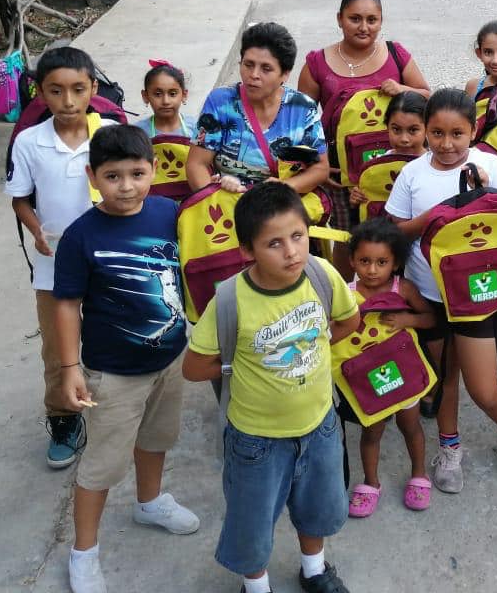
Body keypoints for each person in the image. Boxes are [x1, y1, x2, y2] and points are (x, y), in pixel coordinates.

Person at [183, 183, 361, 593]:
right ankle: (257, 585)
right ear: (248, 250)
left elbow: (348, 322)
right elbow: (193, 368)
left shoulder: (322, 274)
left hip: (320, 425)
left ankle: (314, 569)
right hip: (255, 438)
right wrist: (242, 364)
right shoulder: (229, 300)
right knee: (252, 519)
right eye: (274, 243)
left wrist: (313, 342)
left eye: (298, 236)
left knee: (317, 507)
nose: (292, 252)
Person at [52, 125, 197, 593]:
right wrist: (70, 368)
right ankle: (84, 553)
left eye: (137, 173)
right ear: (93, 176)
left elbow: (213, 239)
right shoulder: (80, 237)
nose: (128, 186)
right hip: (112, 373)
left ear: (153, 170)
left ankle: (150, 501)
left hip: (170, 358)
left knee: (157, 438)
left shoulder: (169, 213)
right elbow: (66, 304)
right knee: (101, 465)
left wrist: (227, 190)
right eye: (113, 177)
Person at [385, 89, 497, 492]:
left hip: (476, 293)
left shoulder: (491, 167)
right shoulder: (413, 174)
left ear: (473, 130)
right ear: (426, 131)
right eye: (436, 133)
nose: (446, 144)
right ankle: (450, 448)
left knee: (485, 389)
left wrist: (484, 194)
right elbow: (394, 231)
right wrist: (432, 219)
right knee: (444, 378)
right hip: (429, 292)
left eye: (457, 134)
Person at [5, 46, 102, 469]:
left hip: (106, 260)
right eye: (56, 91)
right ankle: (63, 418)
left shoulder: (110, 133)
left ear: (93, 89)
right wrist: (36, 232)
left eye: (78, 89)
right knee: (58, 347)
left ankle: (115, 411)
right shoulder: (30, 142)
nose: (68, 102)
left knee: (111, 336)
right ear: (40, 93)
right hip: (53, 264)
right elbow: (20, 199)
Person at [297, 0, 430, 269]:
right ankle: (346, 302)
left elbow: (427, 96)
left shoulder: (396, 54)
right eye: (355, 18)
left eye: (372, 19)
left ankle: (391, 297)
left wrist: (402, 88)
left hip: (395, 169)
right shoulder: (317, 63)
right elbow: (303, 125)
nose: (364, 27)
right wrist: (317, 170)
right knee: (349, 240)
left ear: (381, 21)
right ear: (339, 18)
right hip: (342, 174)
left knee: (395, 237)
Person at [342, 218, 437, 517]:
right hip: (366, 380)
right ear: (352, 261)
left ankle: (419, 475)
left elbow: (431, 318)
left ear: (395, 262)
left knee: (410, 425)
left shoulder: (403, 288)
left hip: (404, 373)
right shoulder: (345, 293)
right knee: (372, 432)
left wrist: (408, 320)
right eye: (364, 261)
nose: (372, 269)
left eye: (381, 262)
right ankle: (371, 483)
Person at [187, 22, 329, 195]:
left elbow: (320, 168)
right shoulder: (220, 102)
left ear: (285, 73)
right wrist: (213, 202)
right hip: (225, 204)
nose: (253, 75)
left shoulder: (303, 109)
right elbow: (197, 164)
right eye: (248, 64)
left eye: (266, 68)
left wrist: (285, 188)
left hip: (279, 207)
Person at [347, 90, 427, 214]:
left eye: (413, 130)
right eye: (396, 129)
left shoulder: (434, 165)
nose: (404, 139)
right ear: (387, 127)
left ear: (427, 128)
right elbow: (366, 203)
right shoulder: (377, 164)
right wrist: (355, 199)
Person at [136, 59, 196, 138]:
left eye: (172, 94)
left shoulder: (195, 128)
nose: (166, 101)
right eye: (158, 94)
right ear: (145, 96)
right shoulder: (138, 133)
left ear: (184, 95)